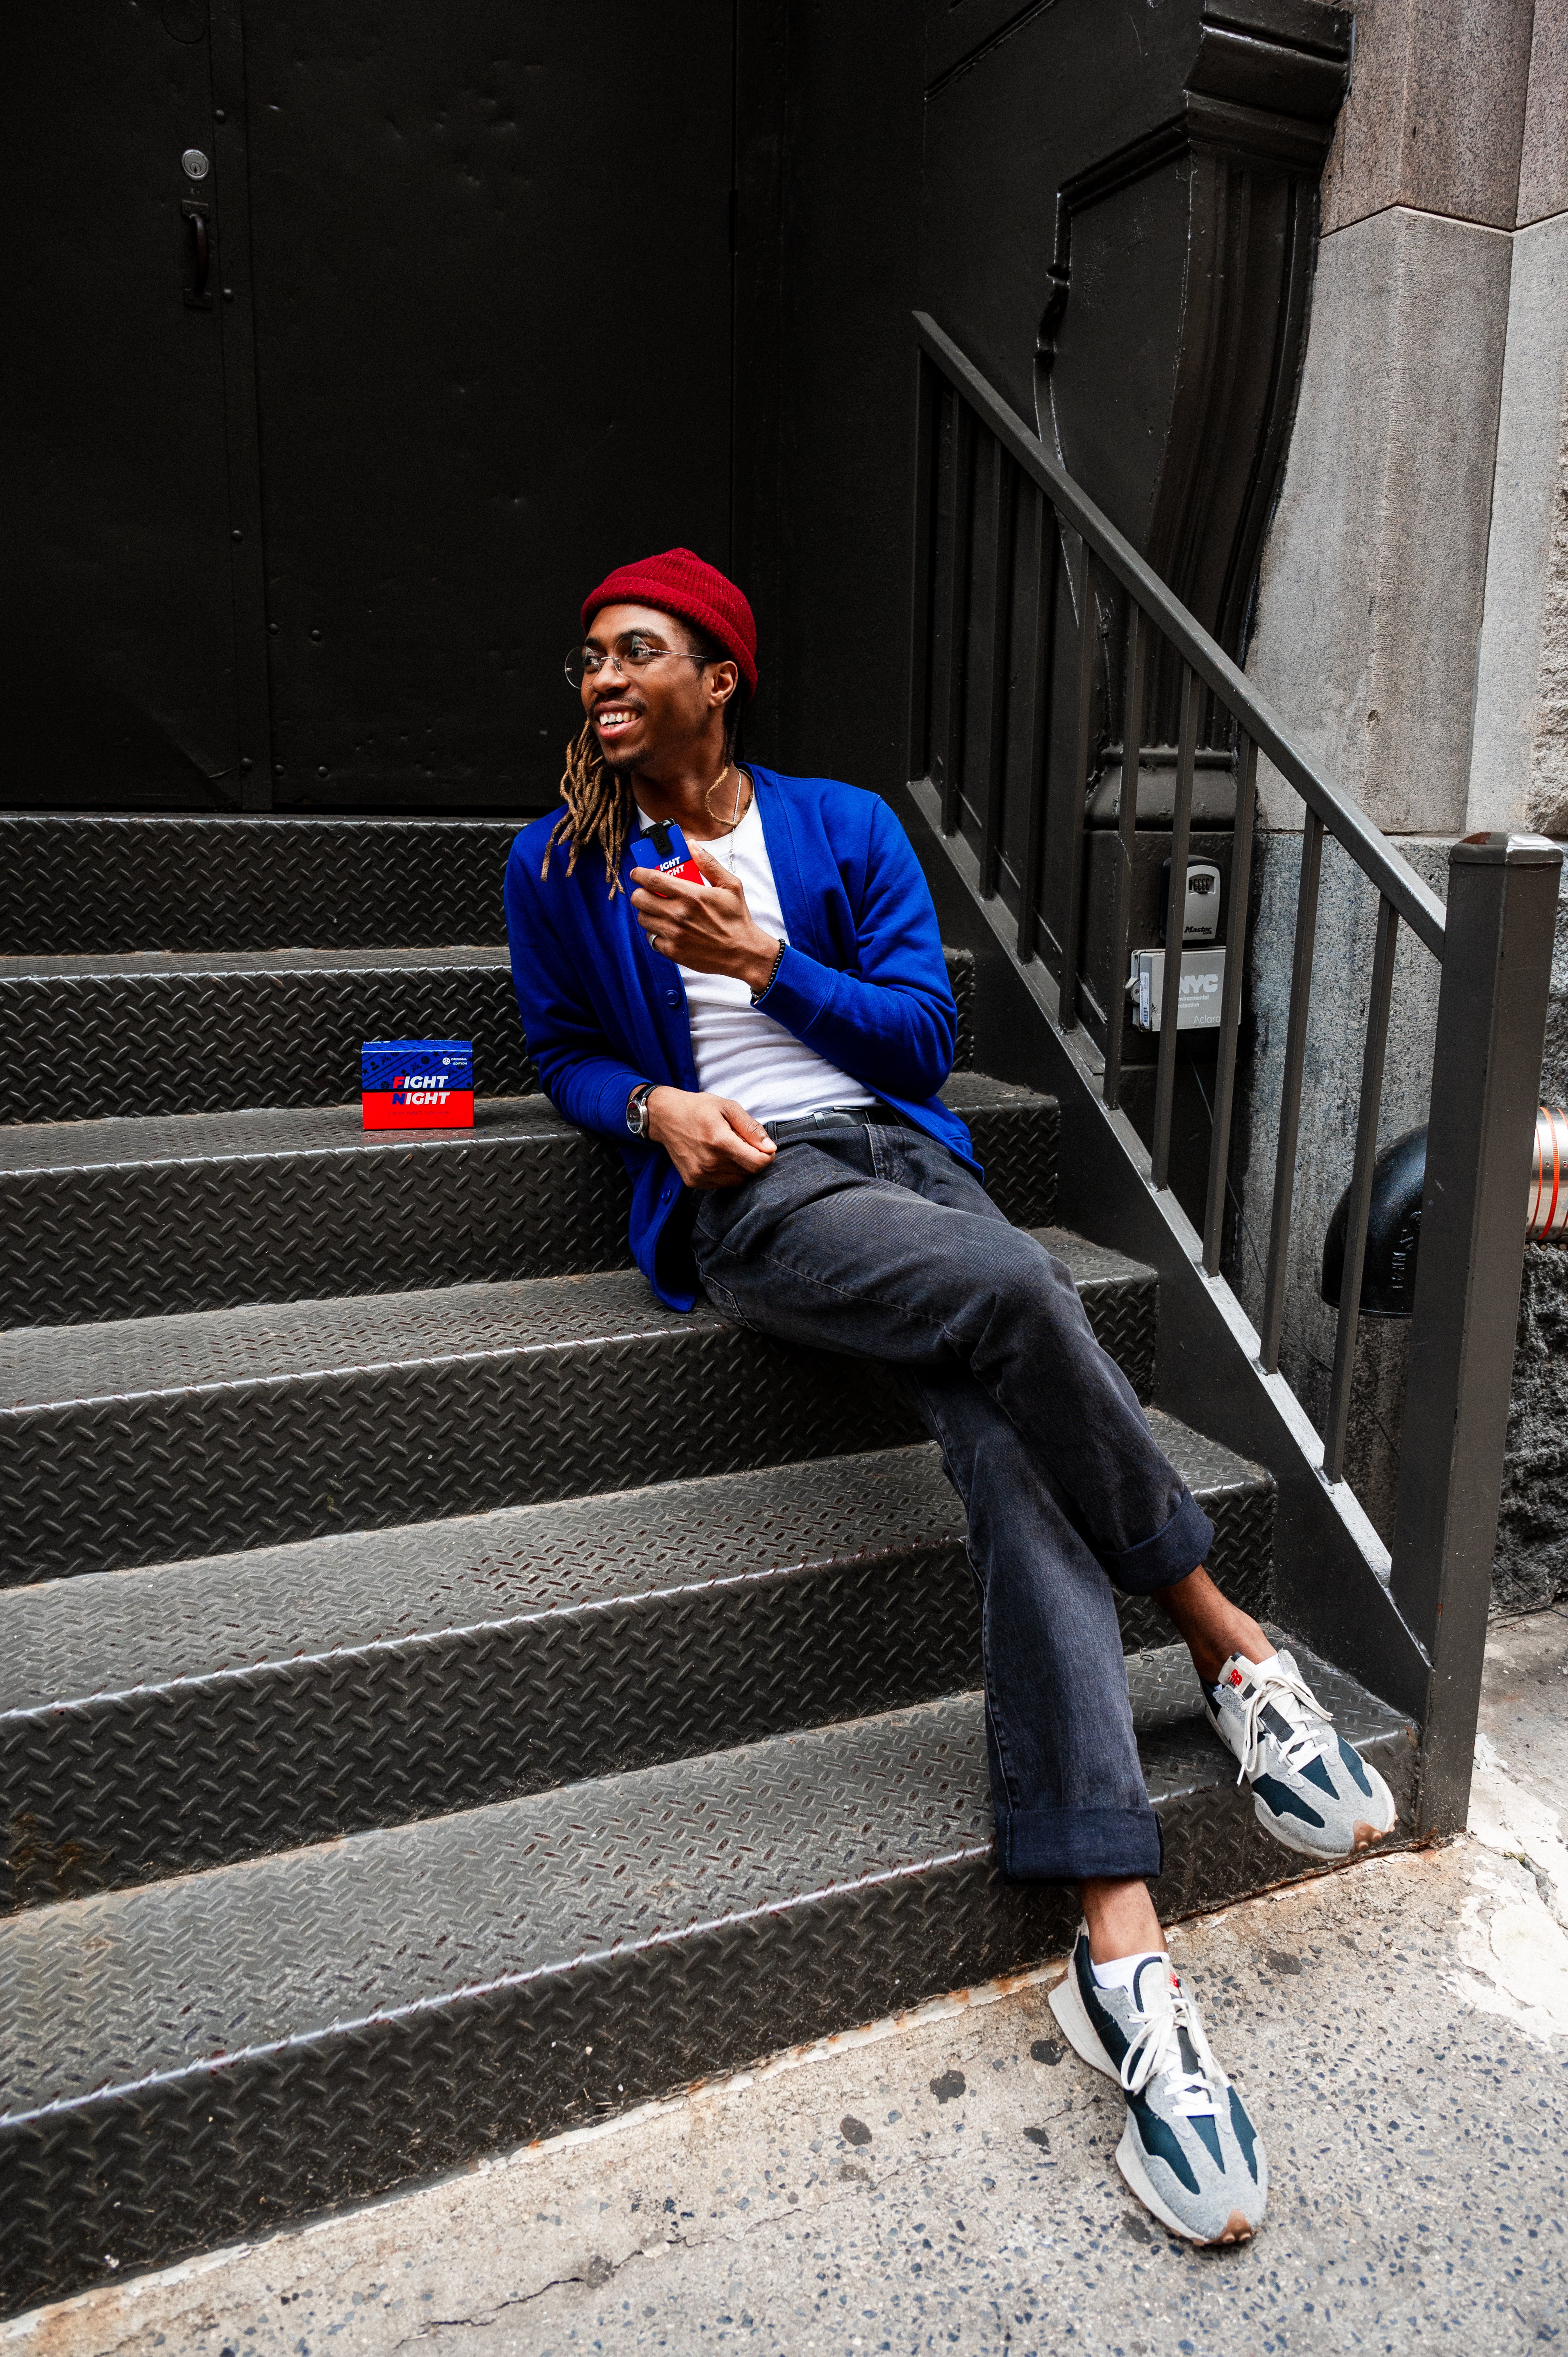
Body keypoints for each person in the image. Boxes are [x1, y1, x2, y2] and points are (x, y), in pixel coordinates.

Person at [504, 546, 1397, 2248]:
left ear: (722, 673)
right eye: (590, 659)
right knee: (1022, 1288)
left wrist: (765, 964)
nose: (604, 681)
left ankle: (1118, 1950)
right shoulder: (561, 862)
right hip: (759, 1191)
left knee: (1003, 1432)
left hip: (901, 1153)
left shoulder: (840, 829)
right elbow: (562, 1049)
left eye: (640, 651)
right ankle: (1221, 1632)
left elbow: (919, 1038)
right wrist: (656, 1116)